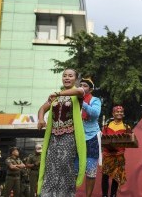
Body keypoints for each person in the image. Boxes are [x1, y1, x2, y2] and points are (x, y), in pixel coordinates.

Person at [37, 68, 87, 197]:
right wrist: (41, 119)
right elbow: (42, 108)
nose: (67, 78)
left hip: (69, 136)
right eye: (64, 75)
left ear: (75, 79)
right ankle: (47, 194)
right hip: (54, 137)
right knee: (51, 165)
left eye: (70, 76)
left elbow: (79, 90)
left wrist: (58, 93)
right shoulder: (55, 98)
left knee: (65, 166)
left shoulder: (77, 93)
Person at [78, 77, 102, 197]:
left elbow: (95, 114)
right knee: (74, 169)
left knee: (91, 171)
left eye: (85, 86)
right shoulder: (74, 99)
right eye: (80, 85)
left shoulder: (95, 100)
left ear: (90, 89)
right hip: (77, 137)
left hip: (92, 137)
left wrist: (83, 103)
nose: (82, 87)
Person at [101, 105, 131, 197]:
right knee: (105, 175)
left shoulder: (127, 127)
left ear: (123, 114)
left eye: (121, 112)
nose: (119, 113)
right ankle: (105, 195)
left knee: (116, 176)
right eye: (117, 112)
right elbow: (103, 140)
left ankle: (113, 195)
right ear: (113, 114)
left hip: (119, 155)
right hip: (107, 154)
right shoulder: (107, 126)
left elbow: (130, 140)